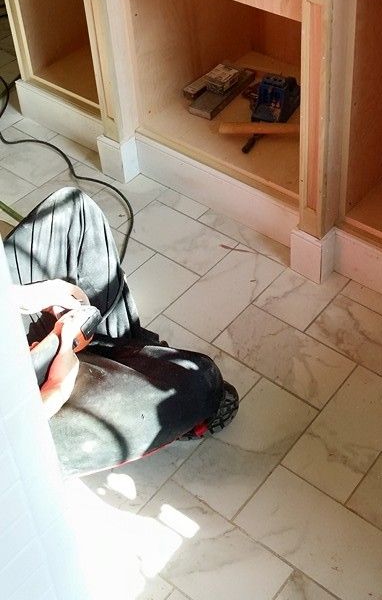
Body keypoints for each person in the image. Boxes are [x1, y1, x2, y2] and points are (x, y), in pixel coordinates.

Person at [6, 186, 238, 476]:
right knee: (200, 381)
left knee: (74, 209)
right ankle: (111, 367)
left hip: (28, 346)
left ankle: (118, 349)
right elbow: (15, 432)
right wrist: (58, 380)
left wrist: (25, 296)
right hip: (27, 404)